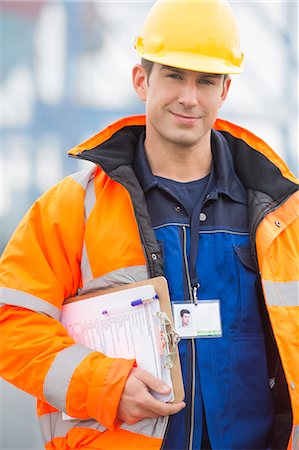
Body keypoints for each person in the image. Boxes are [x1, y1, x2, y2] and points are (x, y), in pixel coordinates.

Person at [0, 0, 298, 449]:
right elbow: (11, 321)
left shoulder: (282, 217)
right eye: (174, 75)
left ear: (225, 92)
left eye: (205, 81)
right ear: (142, 80)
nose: (188, 97)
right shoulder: (73, 208)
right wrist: (104, 385)